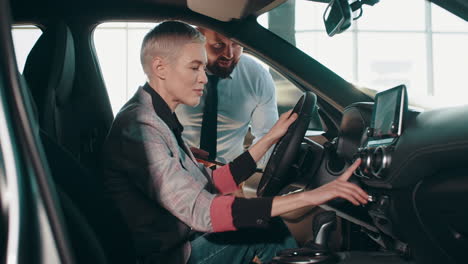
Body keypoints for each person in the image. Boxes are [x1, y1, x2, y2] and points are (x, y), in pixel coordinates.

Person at [102, 21, 368, 264]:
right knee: (268, 232)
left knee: (264, 226)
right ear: (161, 68)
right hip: (166, 257)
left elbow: (206, 182)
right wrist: (312, 195)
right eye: (194, 67)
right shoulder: (141, 128)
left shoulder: (155, 114)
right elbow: (202, 211)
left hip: (179, 239)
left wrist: (270, 138)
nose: (204, 78)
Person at [176, 27, 278, 166]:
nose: (229, 54)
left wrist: (241, 171)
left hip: (231, 173)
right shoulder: (173, 73)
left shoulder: (256, 76)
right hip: (177, 169)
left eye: (236, 44)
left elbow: (267, 137)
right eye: (218, 45)